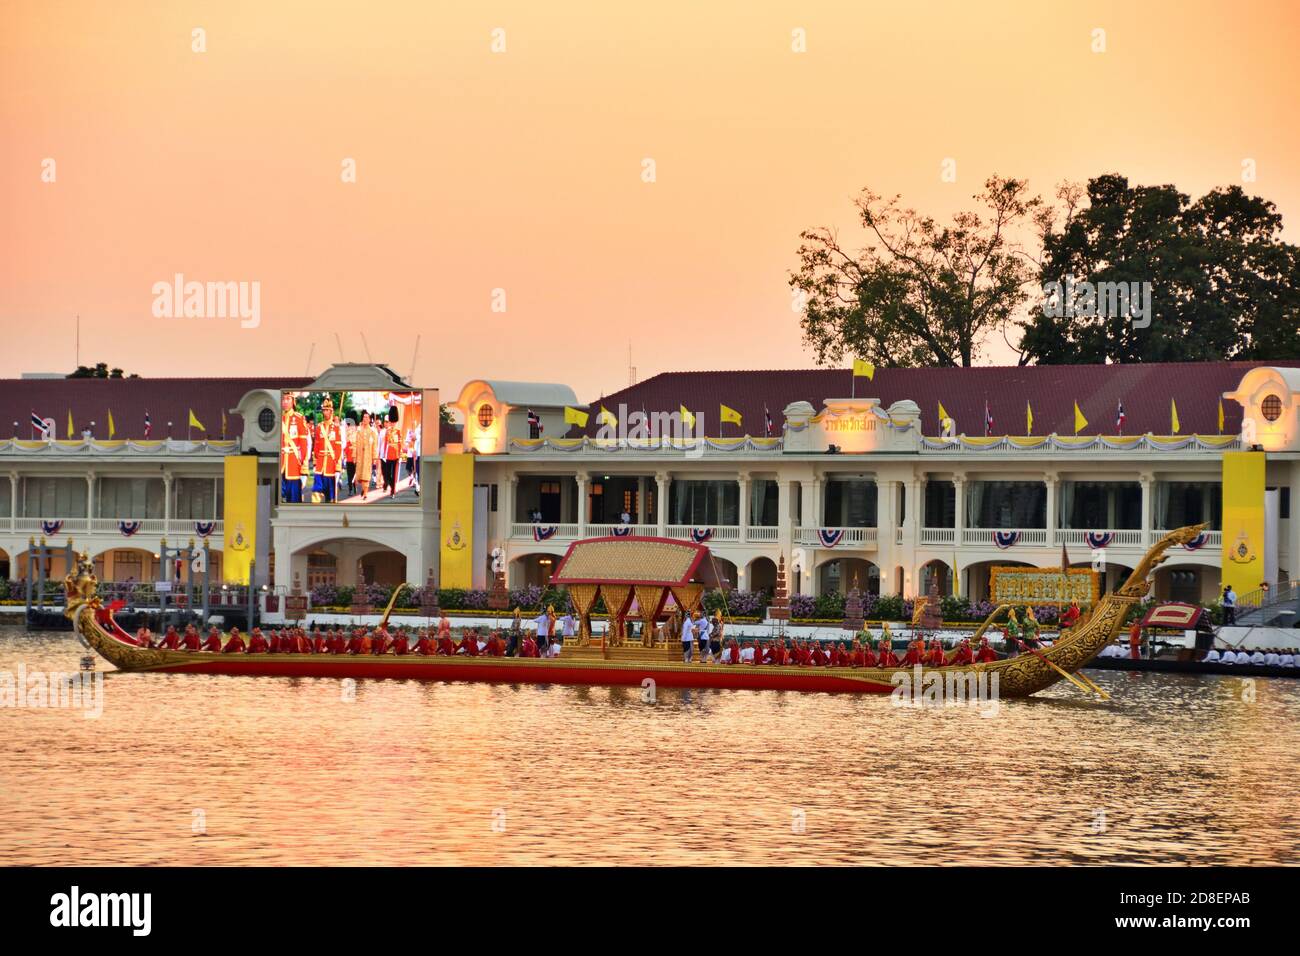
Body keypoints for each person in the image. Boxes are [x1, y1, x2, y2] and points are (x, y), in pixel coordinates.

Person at [313, 396, 343, 503]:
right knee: (316, 492)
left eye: (327, 410)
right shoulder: (319, 427)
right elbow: (316, 446)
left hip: (331, 464)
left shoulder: (336, 428)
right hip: (320, 464)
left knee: (330, 497)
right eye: (324, 410)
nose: (325, 412)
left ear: (331, 412)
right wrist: (316, 460)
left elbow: (338, 447)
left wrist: (337, 465)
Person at [280, 392, 309, 503]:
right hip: (281, 463)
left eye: (288, 399)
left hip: (293, 464)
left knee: (293, 499)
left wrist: (302, 463)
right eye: (283, 399)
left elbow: (303, 444)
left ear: (293, 401)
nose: (285, 401)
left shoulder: (299, 418)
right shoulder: (279, 419)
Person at [381, 407, 403, 497]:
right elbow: (385, 443)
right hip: (388, 454)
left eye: (394, 422)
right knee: (386, 473)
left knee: (394, 474)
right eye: (391, 422)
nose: (392, 423)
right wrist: (383, 454)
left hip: (396, 454)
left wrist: (400, 455)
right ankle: (392, 486)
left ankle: (393, 490)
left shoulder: (398, 431)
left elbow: (400, 444)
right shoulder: (387, 431)